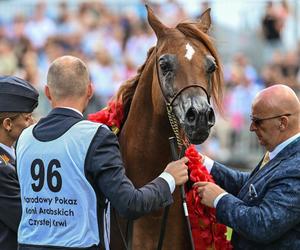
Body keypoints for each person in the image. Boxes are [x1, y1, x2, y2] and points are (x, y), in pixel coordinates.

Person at [16, 55, 189, 250]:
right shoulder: (95, 135)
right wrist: (168, 179)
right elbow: (129, 204)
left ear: (47, 92)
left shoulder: (24, 137)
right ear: (90, 90)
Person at [195, 84, 300, 249]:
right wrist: (205, 164)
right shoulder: (284, 151)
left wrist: (220, 199)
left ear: (282, 123)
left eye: (257, 121)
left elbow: (263, 225)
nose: (251, 128)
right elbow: (253, 187)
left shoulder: (296, 167)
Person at [0, 76, 38, 250]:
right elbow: (26, 219)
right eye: (27, 118)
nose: (33, 123)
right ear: (8, 124)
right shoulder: (2, 169)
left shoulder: (10, 156)